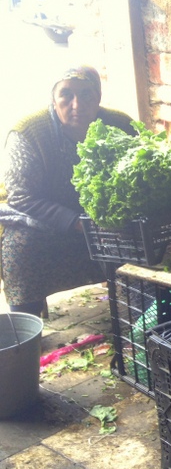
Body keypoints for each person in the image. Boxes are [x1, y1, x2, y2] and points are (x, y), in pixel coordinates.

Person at [0, 66, 135, 317]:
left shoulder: (120, 125)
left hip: (105, 221)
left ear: (98, 98)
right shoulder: (29, 133)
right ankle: (25, 321)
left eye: (86, 95)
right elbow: (21, 196)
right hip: (47, 222)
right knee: (21, 247)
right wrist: (76, 222)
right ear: (54, 99)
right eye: (66, 95)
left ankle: (143, 309)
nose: (76, 104)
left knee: (143, 239)